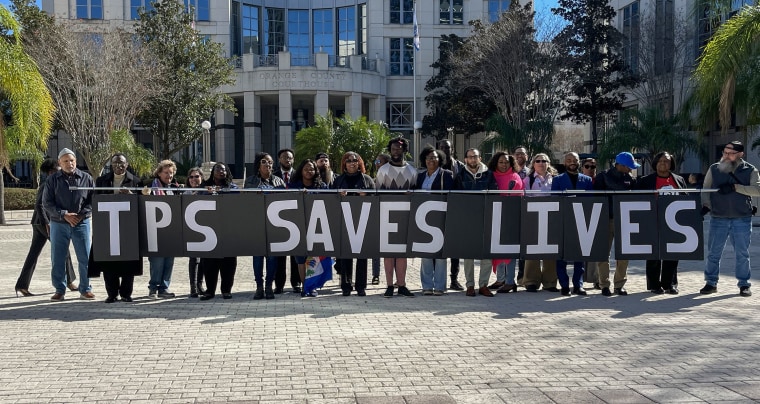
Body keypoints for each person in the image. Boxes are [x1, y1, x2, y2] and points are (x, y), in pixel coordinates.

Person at [701, 141, 758, 297]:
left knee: (742, 253)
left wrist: (735, 187)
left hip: (742, 218)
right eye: (724, 152)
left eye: (730, 153)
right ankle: (711, 282)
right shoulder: (714, 168)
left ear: (740, 154)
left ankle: (744, 284)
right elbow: (706, 189)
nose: (726, 156)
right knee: (713, 252)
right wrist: (706, 205)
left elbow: (757, 190)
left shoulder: (750, 170)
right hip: (718, 217)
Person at [15, 158, 77, 297]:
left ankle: (22, 285)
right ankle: (69, 282)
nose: (61, 171)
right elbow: (39, 205)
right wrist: (47, 223)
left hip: (38, 223)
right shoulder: (47, 184)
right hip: (44, 223)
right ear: (51, 172)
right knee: (63, 249)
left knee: (33, 254)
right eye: (58, 169)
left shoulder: (52, 182)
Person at [87, 153, 144, 303]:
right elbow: (95, 200)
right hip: (107, 227)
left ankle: (126, 293)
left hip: (128, 228)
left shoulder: (136, 181)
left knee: (128, 261)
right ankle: (112, 293)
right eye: (115, 164)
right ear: (111, 166)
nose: (118, 166)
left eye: (121, 163)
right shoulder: (101, 181)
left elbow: (142, 203)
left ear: (127, 164)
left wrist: (131, 194)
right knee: (108, 262)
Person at [42, 148, 95, 301]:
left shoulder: (86, 178)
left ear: (75, 162)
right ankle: (59, 289)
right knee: (58, 258)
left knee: (85, 257)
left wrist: (81, 215)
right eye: (65, 161)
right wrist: (64, 214)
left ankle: (85, 289)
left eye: (71, 160)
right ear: (60, 162)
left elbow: (92, 201)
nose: (69, 163)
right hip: (59, 224)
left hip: (81, 223)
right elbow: (47, 203)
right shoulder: (52, 180)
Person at [636, 152, 687, 295]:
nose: (663, 163)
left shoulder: (679, 180)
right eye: (660, 161)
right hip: (652, 221)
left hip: (674, 223)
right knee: (654, 253)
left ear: (671, 164)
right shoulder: (645, 181)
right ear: (655, 164)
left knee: (672, 253)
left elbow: (686, 198)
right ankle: (654, 284)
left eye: (667, 161)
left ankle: (669, 283)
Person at [375, 136, 418, 298]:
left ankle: (402, 285)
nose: (396, 151)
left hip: (405, 217)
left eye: (399, 149)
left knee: (402, 253)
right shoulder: (383, 170)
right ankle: (389, 285)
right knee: (388, 253)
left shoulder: (412, 171)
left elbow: (415, 194)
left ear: (404, 150)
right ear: (390, 150)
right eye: (393, 149)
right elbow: (378, 193)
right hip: (386, 216)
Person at [593, 151, 639, 296]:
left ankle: (619, 284)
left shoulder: (630, 178)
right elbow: (596, 198)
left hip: (624, 219)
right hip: (605, 219)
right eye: (629, 166)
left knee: (624, 254)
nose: (631, 169)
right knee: (603, 253)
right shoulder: (603, 176)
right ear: (620, 165)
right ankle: (604, 284)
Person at [455, 148, 497, 297]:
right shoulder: (459, 175)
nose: (473, 159)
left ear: (480, 158)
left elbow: (494, 194)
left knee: (486, 253)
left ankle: (484, 285)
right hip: (468, 220)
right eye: (470, 157)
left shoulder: (489, 174)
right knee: (468, 254)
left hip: (485, 217)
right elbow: (457, 199)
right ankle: (470, 285)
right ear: (465, 159)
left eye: (475, 156)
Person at [332, 152, 376, 296]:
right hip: (344, 222)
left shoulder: (367, 180)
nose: (352, 163)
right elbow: (330, 200)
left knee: (362, 256)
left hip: (362, 222)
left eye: (355, 160)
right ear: (344, 163)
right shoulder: (338, 180)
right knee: (345, 256)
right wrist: (339, 196)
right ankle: (346, 285)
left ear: (359, 163)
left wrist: (366, 195)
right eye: (349, 161)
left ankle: (361, 286)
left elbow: (376, 199)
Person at [245, 152, 287, 300]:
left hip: (275, 225)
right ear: (258, 164)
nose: (268, 164)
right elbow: (245, 202)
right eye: (264, 162)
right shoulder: (249, 182)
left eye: (270, 162)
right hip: (256, 225)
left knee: (272, 258)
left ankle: (269, 285)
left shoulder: (279, 182)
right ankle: (259, 286)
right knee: (257, 258)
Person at [551, 152, 593, 296]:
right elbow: (555, 199)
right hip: (563, 220)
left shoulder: (587, 180)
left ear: (579, 162)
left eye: (574, 160)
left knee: (579, 255)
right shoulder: (557, 180)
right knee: (561, 255)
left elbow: (590, 200)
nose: (572, 162)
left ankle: (578, 285)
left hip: (581, 221)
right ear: (564, 162)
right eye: (569, 160)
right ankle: (564, 285)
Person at [415, 147, 455, 296]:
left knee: (440, 255)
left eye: (434, 157)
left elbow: (452, 195)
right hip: (423, 218)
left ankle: (439, 286)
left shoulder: (447, 175)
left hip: (440, 217)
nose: (431, 160)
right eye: (428, 158)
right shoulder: (420, 177)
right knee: (425, 254)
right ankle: (426, 286)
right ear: (424, 160)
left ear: (440, 160)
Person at [199, 163, 239, 301]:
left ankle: (226, 290)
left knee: (229, 262)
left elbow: (236, 200)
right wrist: (207, 193)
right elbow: (196, 199)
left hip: (228, 229)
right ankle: (210, 291)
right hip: (209, 230)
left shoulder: (232, 187)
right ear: (213, 172)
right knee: (209, 262)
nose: (221, 172)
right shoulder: (205, 186)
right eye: (218, 169)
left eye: (223, 169)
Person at [289, 158, 329, 297]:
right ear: (301, 170)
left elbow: (329, 202)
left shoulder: (322, 186)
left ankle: (313, 286)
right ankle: (304, 286)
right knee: (300, 259)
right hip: (298, 226)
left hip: (317, 226)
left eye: (311, 169)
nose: (309, 171)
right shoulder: (293, 185)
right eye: (306, 169)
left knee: (314, 258)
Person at [142, 160, 180, 299]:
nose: (169, 176)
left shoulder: (174, 188)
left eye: (171, 173)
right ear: (159, 173)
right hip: (154, 231)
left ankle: (164, 288)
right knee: (157, 262)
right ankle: (153, 288)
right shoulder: (150, 187)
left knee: (169, 262)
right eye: (166, 173)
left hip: (170, 232)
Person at [488, 151, 524, 294]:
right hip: (495, 216)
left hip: (511, 218)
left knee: (510, 251)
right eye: (501, 162)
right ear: (496, 163)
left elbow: (519, 197)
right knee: (496, 250)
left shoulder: (515, 177)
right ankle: (500, 279)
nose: (504, 165)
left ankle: (510, 281)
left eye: (507, 162)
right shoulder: (491, 176)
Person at [522, 153, 559, 293]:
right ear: (533, 164)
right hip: (533, 218)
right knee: (533, 250)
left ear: (548, 163)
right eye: (538, 161)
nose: (541, 163)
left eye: (544, 161)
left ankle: (550, 282)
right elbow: (525, 198)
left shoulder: (555, 179)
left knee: (551, 250)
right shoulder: (528, 180)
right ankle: (531, 281)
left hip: (552, 218)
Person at [437, 139, 465, 291]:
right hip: (436, 210)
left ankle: (454, 280)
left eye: (447, 147)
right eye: (441, 147)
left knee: (455, 248)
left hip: (455, 210)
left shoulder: (459, 167)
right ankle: (436, 279)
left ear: (452, 149)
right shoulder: (434, 165)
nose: (444, 150)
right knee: (436, 246)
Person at [273, 148, 300, 294]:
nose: (287, 160)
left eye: (289, 158)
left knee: (295, 254)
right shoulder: (274, 175)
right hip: (277, 218)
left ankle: (296, 283)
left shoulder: (298, 175)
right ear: (279, 159)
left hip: (295, 217)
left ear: (293, 160)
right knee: (280, 254)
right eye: (284, 157)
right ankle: (279, 284)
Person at [185, 167, 206, 298]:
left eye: (197, 176)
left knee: (203, 259)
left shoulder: (206, 191)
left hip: (205, 229)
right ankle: (193, 287)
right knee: (194, 259)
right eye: (191, 177)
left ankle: (199, 284)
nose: (194, 179)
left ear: (202, 178)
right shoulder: (185, 192)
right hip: (190, 229)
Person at [370, 153, 391, 285]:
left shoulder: (391, 179)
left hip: (390, 216)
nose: (377, 163)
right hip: (376, 216)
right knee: (375, 247)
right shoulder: (372, 180)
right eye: (376, 160)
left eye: (380, 161)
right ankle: (376, 274)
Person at [581, 157, 600, 289]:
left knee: (596, 250)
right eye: (587, 166)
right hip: (580, 216)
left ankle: (596, 279)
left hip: (597, 216)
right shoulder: (579, 180)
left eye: (592, 167)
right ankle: (579, 280)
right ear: (582, 168)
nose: (590, 169)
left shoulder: (600, 181)